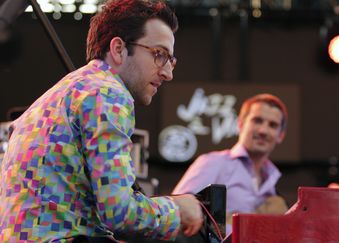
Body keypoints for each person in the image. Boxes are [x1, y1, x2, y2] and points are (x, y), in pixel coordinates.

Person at [0, 0, 203, 241]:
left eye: (171, 61)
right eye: (159, 55)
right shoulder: (107, 94)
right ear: (118, 49)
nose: (168, 73)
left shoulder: (62, 94)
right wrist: (178, 209)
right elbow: (120, 213)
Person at [173, 93, 289, 234]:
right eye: (257, 120)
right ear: (240, 124)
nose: (263, 130)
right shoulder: (214, 162)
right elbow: (178, 209)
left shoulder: (271, 182)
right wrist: (236, 231)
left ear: (281, 135)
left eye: (272, 125)